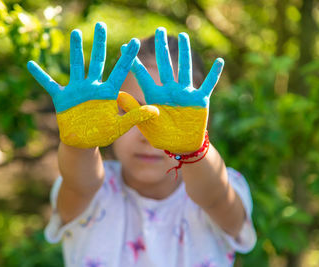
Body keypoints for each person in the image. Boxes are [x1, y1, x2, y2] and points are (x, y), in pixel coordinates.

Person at [27, 22, 256, 267]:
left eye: (169, 116)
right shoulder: (94, 193)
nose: (146, 136)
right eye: (129, 109)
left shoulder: (217, 190)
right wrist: (78, 143)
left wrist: (194, 149)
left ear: (202, 121)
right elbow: (80, 185)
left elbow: (215, 196)